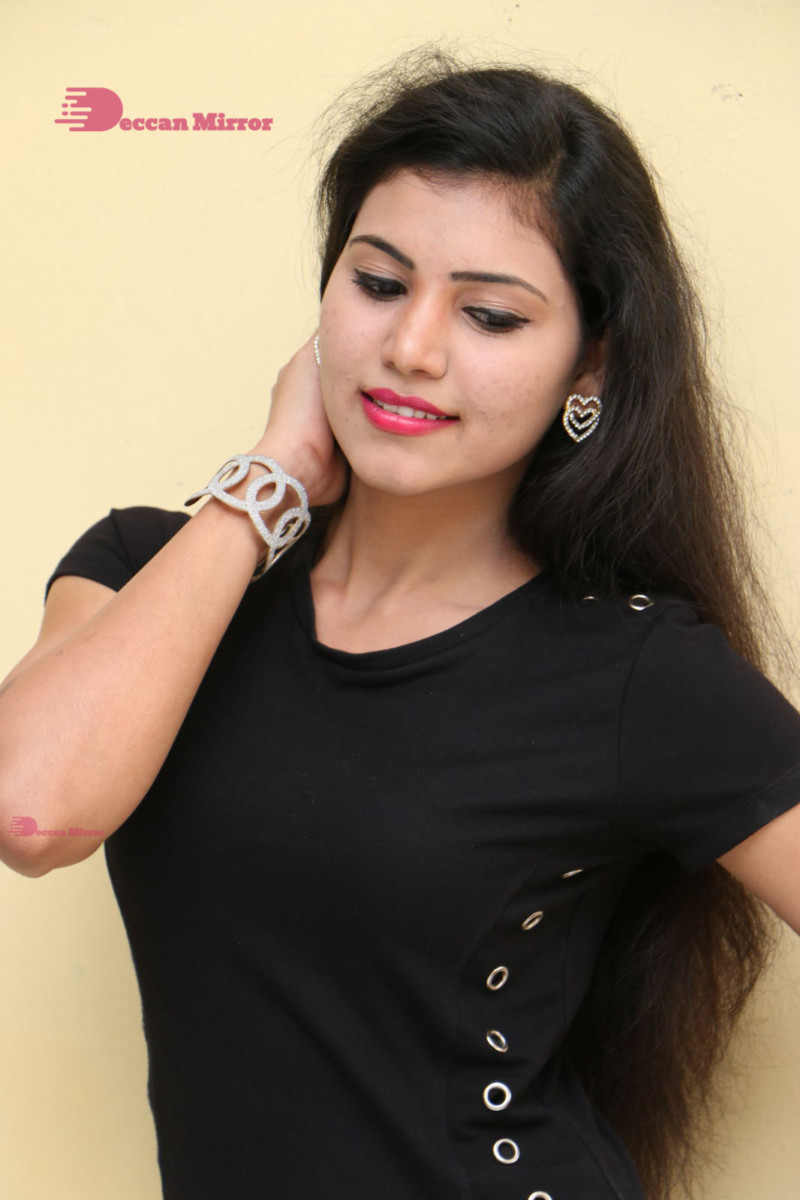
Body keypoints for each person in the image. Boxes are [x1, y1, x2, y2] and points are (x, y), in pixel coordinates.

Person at [1, 44, 799, 1200]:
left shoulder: (634, 670)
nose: (410, 348)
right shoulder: (148, 569)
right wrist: (269, 479)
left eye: (490, 314)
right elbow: (31, 814)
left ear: (588, 367)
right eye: (377, 284)